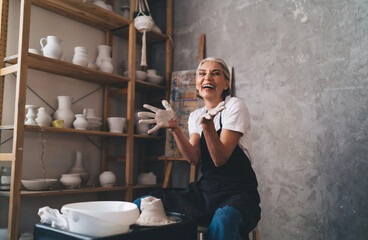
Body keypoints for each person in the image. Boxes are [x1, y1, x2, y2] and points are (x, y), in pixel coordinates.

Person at [135, 57, 261, 240]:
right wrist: (175, 128)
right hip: (205, 191)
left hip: (238, 193)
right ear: (197, 84)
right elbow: (194, 158)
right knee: (144, 203)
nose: (207, 77)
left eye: (215, 73)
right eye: (202, 74)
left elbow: (221, 158)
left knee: (224, 219)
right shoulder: (196, 115)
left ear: (226, 83)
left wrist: (208, 127)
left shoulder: (235, 105)